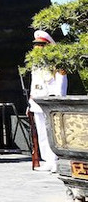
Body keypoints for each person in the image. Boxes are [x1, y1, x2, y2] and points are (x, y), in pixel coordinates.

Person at [29, 30, 68, 173]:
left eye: (41, 45)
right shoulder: (36, 63)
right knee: (41, 132)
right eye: (36, 45)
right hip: (37, 102)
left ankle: (55, 161)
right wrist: (31, 99)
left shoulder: (56, 62)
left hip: (50, 102)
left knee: (53, 132)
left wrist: (59, 98)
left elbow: (61, 82)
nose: (37, 48)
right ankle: (47, 160)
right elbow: (34, 83)